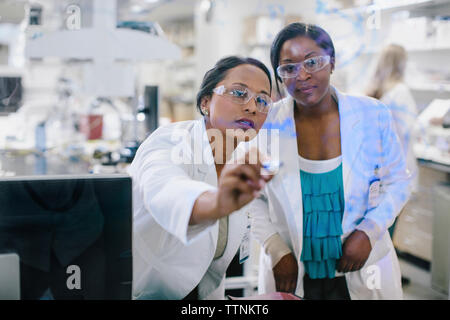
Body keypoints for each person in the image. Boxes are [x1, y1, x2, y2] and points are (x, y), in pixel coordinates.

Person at [249, 23, 411, 300]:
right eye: (289, 67)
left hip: (364, 267)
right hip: (292, 273)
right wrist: (276, 249)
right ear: (279, 75)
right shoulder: (266, 125)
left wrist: (368, 232)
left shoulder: (373, 115)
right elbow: (249, 197)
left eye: (313, 61)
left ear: (332, 63)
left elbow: (398, 183)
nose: (303, 75)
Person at [128, 56, 274, 299]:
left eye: (262, 100)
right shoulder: (171, 141)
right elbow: (166, 190)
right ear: (206, 102)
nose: (252, 107)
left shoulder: (243, 158)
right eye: (239, 93)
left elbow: (211, 269)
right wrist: (218, 202)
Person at [367, 44, 419, 193]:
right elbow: (409, 130)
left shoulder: (373, 92)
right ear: (401, 64)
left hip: (378, 171)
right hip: (398, 172)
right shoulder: (400, 92)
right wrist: (427, 123)